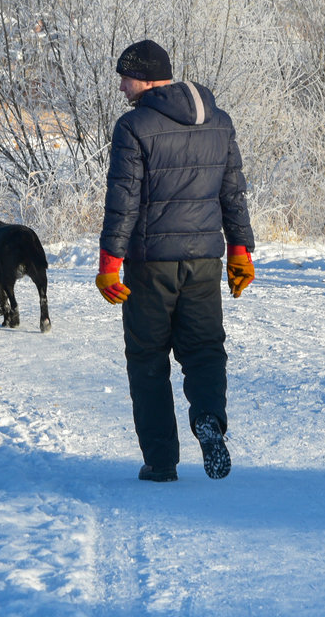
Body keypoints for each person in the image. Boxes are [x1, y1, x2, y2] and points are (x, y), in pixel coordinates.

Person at [95, 39, 255, 482]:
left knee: (147, 359)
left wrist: (110, 262)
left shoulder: (133, 126)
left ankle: (162, 462)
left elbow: (122, 202)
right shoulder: (219, 123)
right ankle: (208, 419)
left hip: (150, 265)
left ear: (145, 78)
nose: (122, 87)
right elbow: (233, 195)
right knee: (204, 351)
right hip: (204, 261)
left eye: (125, 77)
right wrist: (240, 252)